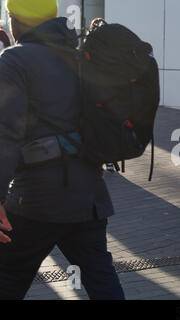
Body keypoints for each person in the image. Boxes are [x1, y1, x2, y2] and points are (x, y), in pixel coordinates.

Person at [0, 0, 124, 299]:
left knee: (8, 278)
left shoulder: (13, 61)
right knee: (101, 280)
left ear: (13, 19)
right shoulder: (81, 56)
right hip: (89, 197)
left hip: (35, 200)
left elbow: (6, 135)